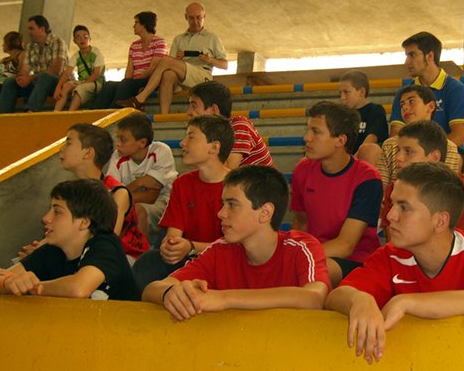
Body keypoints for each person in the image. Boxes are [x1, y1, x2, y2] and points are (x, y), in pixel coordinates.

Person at [325, 162, 464, 364]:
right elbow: (335, 296)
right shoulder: (389, 256)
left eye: (404, 207)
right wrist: (359, 300)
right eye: (392, 204)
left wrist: (405, 303)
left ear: (440, 221)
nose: (390, 216)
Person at [142, 166, 330, 321]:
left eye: (232, 204)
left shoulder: (302, 247)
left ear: (265, 213)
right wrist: (171, 293)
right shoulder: (220, 250)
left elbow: (314, 298)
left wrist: (224, 298)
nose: (221, 213)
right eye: (223, 204)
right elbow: (152, 289)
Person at [0, 179, 140, 301]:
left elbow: (79, 289)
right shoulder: (53, 250)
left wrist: (32, 287)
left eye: (57, 212)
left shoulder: (106, 244)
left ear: (84, 222)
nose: (46, 218)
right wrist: (8, 283)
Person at [132, 114, 233, 290]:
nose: (182, 143)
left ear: (214, 147)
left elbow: (239, 246)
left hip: (226, 261)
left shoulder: (238, 185)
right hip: (192, 259)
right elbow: (174, 235)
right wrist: (171, 247)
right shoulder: (182, 183)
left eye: (191, 137)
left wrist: (192, 246)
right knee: (148, 263)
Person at [19, 124, 148, 261]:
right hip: (81, 254)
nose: (61, 149)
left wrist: (44, 251)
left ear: (88, 153)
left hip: (121, 259)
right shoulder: (70, 191)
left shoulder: (117, 193)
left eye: (69, 143)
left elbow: (106, 242)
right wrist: (41, 247)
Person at [290, 101, 383, 287]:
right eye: (308, 130)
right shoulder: (302, 170)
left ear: (341, 140)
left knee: (318, 270)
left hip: (356, 261)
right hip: (313, 255)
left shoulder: (367, 179)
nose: (307, 137)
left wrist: (297, 257)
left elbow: (346, 244)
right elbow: (301, 222)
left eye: (316, 132)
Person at [380, 120, 464, 240]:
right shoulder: (394, 189)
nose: (398, 157)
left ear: (434, 157)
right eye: (398, 150)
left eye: (408, 151)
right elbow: (394, 243)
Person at [118, 2, 228, 114]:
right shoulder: (179, 39)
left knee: (166, 60)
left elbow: (225, 65)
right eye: (191, 18)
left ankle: (141, 98)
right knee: (168, 74)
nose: (195, 22)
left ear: (204, 17)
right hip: (181, 77)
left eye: (199, 18)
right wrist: (179, 59)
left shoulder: (212, 38)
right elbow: (168, 64)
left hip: (202, 75)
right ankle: (164, 115)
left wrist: (210, 60)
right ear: (186, 17)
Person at [388, 31, 464, 169]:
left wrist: (426, 154)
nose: (407, 62)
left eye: (412, 55)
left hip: (446, 153)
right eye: (407, 56)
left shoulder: (455, 89)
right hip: (409, 153)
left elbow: (457, 136)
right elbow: (395, 133)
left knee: (455, 159)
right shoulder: (404, 93)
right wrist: (413, 153)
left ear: (430, 56)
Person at [106, 112, 178, 246]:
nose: (118, 143)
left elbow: (151, 196)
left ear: (142, 142)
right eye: (117, 137)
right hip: (129, 203)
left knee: (138, 210)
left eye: (123, 139)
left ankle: (140, 253)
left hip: (164, 202)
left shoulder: (161, 151)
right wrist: (140, 182)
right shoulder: (117, 156)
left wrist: (124, 196)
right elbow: (113, 196)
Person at [377, 85, 460, 187]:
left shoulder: (448, 146)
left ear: (431, 106)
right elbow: (383, 189)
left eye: (411, 101)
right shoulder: (389, 144)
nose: (405, 107)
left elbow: (445, 188)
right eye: (402, 104)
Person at [186, 80, 274, 168]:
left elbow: (228, 169)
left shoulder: (239, 125)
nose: (189, 112)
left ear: (214, 110)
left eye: (194, 106)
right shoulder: (210, 135)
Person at [94, 12, 167, 110]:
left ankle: (114, 112)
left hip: (150, 81)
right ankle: (96, 113)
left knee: (126, 84)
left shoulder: (159, 42)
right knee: (109, 85)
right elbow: (129, 69)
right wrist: (127, 81)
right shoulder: (134, 45)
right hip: (133, 82)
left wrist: (131, 81)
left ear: (144, 25)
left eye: (136, 22)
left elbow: (153, 68)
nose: (133, 26)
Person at [0, 15, 67, 113]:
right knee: (10, 82)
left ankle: (31, 111)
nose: (28, 32)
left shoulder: (57, 42)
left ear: (42, 29)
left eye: (31, 28)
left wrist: (30, 78)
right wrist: (22, 78)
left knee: (44, 76)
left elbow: (56, 70)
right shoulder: (30, 46)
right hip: (38, 84)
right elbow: (25, 69)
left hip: (58, 83)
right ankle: (2, 116)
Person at [338, 70, 388, 166]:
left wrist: (350, 164)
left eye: (346, 92)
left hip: (362, 162)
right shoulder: (341, 115)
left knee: (368, 150)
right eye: (340, 93)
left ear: (361, 92)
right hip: (344, 162)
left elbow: (371, 140)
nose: (342, 97)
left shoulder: (375, 110)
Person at [52, 25, 105, 111]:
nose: (82, 39)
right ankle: (55, 113)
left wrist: (81, 84)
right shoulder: (76, 56)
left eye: (85, 37)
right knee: (66, 85)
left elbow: (96, 74)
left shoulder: (96, 52)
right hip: (83, 82)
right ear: (75, 41)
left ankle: (70, 114)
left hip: (96, 83)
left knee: (79, 89)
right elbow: (66, 73)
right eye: (78, 37)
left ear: (90, 39)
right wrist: (58, 88)